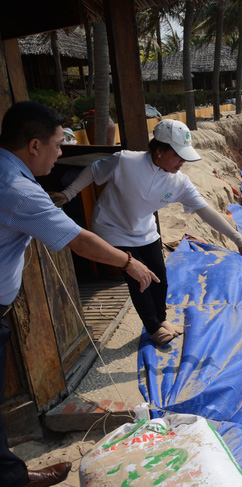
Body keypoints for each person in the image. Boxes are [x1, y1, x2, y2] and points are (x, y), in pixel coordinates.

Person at [0, 101, 159, 487]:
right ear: (34, 145)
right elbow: (79, 241)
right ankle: (12, 479)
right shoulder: (17, 188)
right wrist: (129, 263)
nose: (60, 153)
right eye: (57, 145)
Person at [52, 119, 242, 347]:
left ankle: (161, 320)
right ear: (158, 150)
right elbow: (93, 170)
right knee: (139, 277)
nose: (182, 162)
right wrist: (68, 194)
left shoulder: (179, 182)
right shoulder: (126, 161)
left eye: (184, 156)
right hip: (112, 227)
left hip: (145, 229)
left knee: (159, 275)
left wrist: (239, 242)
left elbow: (206, 212)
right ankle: (153, 328)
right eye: (177, 155)